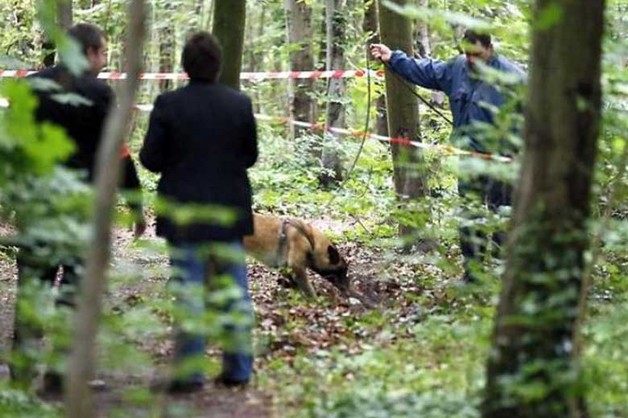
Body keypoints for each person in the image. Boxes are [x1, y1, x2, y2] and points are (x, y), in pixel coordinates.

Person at [10, 22, 146, 393]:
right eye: (102, 52)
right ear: (88, 52)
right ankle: (59, 375)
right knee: (74, 292)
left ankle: (21, 378)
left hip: (37, 207)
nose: (105, 60)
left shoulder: (29, 86)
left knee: (33, 291)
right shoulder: (100, 93)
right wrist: (135, 204)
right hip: (82, 211)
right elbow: (116, 152)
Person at [140, 31, 258, 393]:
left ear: (184, 66)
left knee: (189, 292)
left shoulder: (167, 104)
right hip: (228, 213)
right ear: (219, 64)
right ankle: (238, 369)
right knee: (236, 292)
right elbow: (250, 156)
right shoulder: (239, 103)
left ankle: (190, 372)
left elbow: (150, 159)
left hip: (184, 213)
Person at [370, 29, 526, 283]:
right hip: (468, 159)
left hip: (503, 161)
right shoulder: (457, 68)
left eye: (476, 54)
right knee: (470, 216)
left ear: (490, 47)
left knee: (502, 217)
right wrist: (393, 58)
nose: (471, 59)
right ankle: (473, 275)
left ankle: (502, 275)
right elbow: (427, 70)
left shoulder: (514, 78)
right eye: (467, 54)